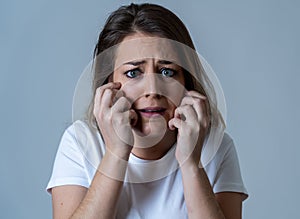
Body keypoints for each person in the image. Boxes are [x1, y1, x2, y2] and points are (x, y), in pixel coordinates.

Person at [47, 3, 248, 219]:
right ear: (109, 83)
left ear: (186, 82)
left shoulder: (216, 148)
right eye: (133, 73)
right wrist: (116, 153)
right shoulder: (80, 142)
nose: (153, 90)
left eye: (167, 71)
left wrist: (191, 164)